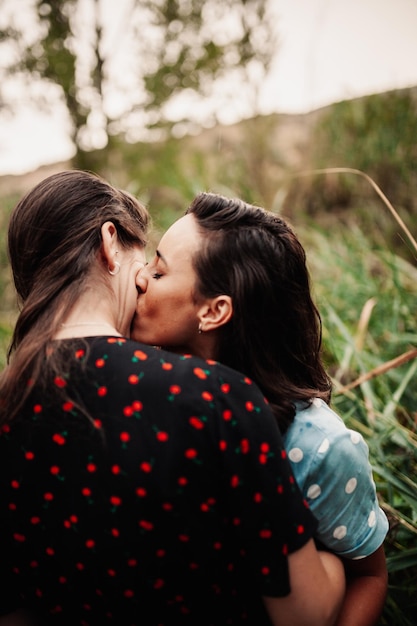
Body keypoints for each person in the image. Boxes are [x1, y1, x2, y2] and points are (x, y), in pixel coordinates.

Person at [0, 171, 345, 626]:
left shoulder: (10, 405)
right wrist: (336, 566)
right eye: (148, 261)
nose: (144, 279)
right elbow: (304, 615)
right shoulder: (216, 397)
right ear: (109, 243)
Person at [133, 191, 390, 626]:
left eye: (158, 271)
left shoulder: (319, 449)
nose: (139, 276)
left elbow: (368, 575)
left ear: (214, 311)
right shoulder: (141, 389)